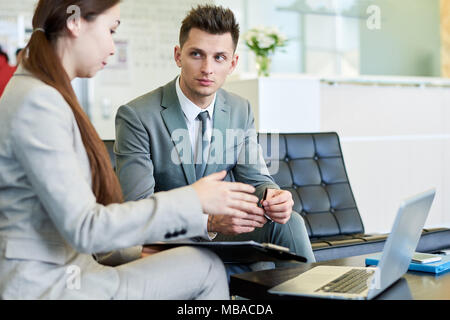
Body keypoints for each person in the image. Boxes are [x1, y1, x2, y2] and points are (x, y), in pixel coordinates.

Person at [0, 0, 265, 300]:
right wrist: (195, 199)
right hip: (49, 283)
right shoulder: (39, 102)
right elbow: (86, 227)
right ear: (75, 23)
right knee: (205, 268)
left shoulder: (40, 92)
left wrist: (139, 247)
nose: (113, 48)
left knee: (200, 263)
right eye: (111, 30)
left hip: (74, 268)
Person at [115, 4, 316, 275]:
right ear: (178, 56)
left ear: (232, 63)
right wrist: (208, 222)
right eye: (197, 54)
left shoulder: (239, 109)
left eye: (219, 57)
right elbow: (139, 208)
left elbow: (256, 178)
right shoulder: (137, 116)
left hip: (225, 234)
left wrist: (273, 196)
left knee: (290, 222)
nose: (207, 68)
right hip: (170, 239)